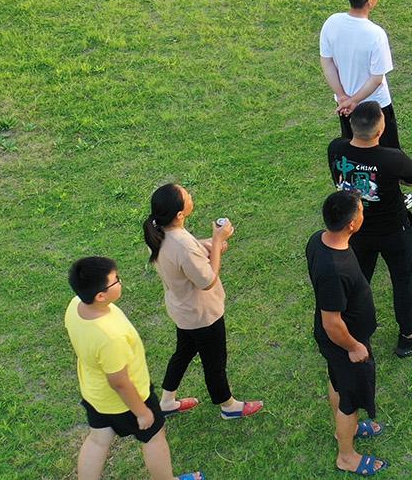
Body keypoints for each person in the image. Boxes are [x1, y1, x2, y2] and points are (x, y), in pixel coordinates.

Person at [64, 256, 203, 480]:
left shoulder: (75, 306)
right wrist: (141, 411)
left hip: (95, 394)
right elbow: (119, 382)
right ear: (100, 296)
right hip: (127, 400)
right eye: (115, 280)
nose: (120, 282)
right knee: (154, 436)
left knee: (98, 441)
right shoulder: (111, 337)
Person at [141, 184, 263, 420]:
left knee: (183, 353)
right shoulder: (184, 246)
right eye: (186, 195)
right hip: (202, 315)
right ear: (179, 214)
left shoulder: (158, 233)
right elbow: (207, 280)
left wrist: (204, 246)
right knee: (214, 362)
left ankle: (166, 402)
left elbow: (182, 251)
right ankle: (228, 406)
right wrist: (216, 242)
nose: (190, 195)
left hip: (183, 311)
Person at [328, 100, 412, 358]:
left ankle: (350, 331)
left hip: (355, 231)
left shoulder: (336, 148)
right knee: (403, 281)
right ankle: (408, 337)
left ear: (351, 126)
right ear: (381, 131)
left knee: (358, 280)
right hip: (394, 231)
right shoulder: (392, 158)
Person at [306, 192, 387, 476]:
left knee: (338, 383)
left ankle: (345, 430)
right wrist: (354, 346)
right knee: (349, 401)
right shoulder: (334, 269)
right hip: (343, 342)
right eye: (361, 211)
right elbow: (332, 323)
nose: (363, 213)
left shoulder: (318, 240)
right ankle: (347, 457)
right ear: (352, 224)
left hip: (337, 342)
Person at [320, 0, 403, 161]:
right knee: (388, 156)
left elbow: (327, 62)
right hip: (375, 105)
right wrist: (353, 101)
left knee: (355, 154)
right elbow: (376, 79)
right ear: (370, 0)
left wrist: (343, 97)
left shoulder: (331, 22)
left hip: (344, 106)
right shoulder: (375, 34)